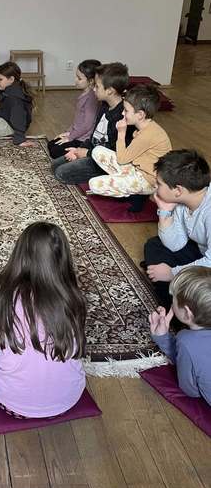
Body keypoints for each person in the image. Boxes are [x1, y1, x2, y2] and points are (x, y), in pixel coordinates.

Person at [0, 222, 86, 418]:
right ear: (63, 259)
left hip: (11, 403)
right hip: (69, 399)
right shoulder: (73, 298)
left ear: (20, 255)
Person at [144, 150, 211, 308]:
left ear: (178, 190)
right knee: (155, 245)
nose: (155, 186)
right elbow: (175, 245)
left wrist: (173, 272)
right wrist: (164, 211)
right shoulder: (185, 200)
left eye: (159, 184)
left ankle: (178, 308)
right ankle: (179, 300)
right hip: (202, 253)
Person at [52, 62, 132, 185]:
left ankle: (107, 177)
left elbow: (113, 152)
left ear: (110, 91)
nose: (94, 89)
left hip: (105, 160)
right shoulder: (104, 106)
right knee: (55, 165)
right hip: (92, 152)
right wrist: (79, 149)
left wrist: (86, 153)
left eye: (97, 86)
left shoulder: (121, 116)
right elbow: (95, 136)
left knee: (61, 173)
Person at [89, 84, 172, 198]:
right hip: (137, 169)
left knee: (94, 184)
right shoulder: (145, 127)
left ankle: (128, 191)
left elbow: (122, 159)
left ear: (140, 115)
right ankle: (124, 183)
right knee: (97, 151)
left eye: (126, 110)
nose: (123, 113)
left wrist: (121, 134)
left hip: (147, 180)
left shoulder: (147, 135)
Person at [149, 267, 211, 405]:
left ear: (187, 313)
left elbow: (190, 390)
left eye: (174, 298)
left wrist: (163, 339)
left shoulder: (186, 340)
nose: (172, 302)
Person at [47, 59, 100, 159]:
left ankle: (79, 153)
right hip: (76, 134)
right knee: (51, 144)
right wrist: (68, 132)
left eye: (79, 78)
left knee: (55, 151)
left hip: (83, 139)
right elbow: (78, 120)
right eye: (76, 76)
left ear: (91, 81)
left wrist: (71, 137)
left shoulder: (92, 98)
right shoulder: (84, 94)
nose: (75, 80)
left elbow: (87, 125)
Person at [0, 61, 34, 146]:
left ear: (11, 79)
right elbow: (3, 103)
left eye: (0, 79)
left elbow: (19, 117)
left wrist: (20, 139)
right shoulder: (10, 88)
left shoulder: (15, 98)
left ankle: (10, 132)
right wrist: (0, 88)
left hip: (13, 124)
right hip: (7, 117)